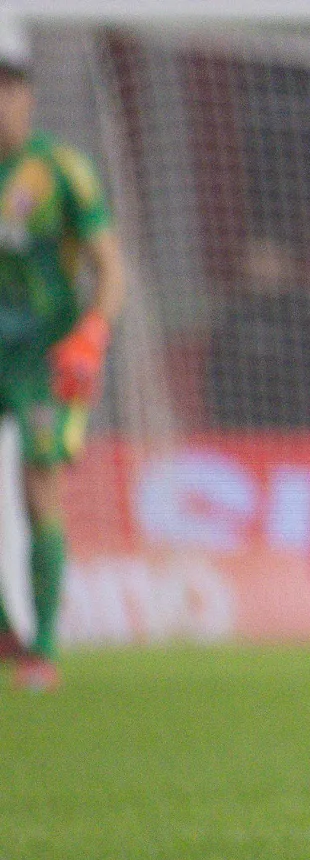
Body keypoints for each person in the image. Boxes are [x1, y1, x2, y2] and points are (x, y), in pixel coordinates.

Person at [0, 42, 126, 691]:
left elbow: (111, 266)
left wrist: (91, 334)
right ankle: (5, 628)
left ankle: (42, 648)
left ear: (27, 97)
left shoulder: (59, 170)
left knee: (37, 489)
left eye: (8, 88)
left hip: (44, 357)